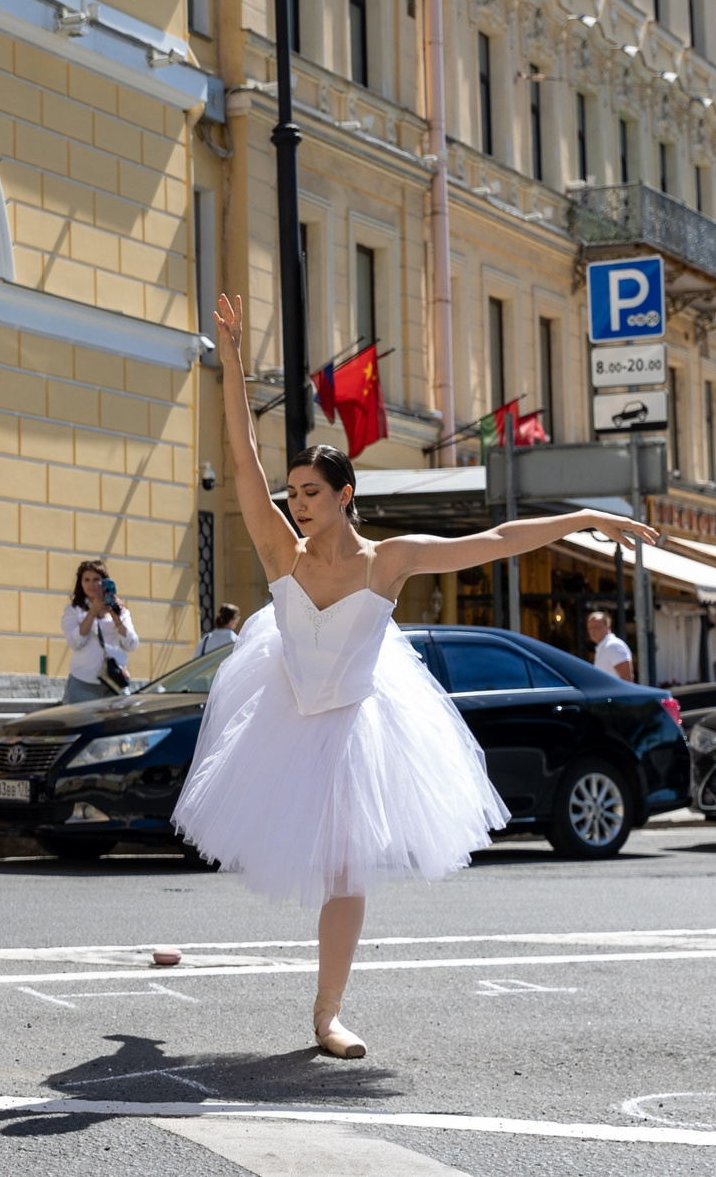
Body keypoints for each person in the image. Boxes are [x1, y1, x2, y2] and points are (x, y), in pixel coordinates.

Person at [177, 293, 658, 1059]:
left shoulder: (389, 560)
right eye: (293, 492)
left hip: (357, 723)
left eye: (311, 493)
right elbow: (240, 454)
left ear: (345, 496)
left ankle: (327, 1014)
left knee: (344, 870)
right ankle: (324, 1011)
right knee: (318, 864)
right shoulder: (279, 553)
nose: (297, 504)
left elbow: (496, 538)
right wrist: (232, 357)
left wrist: (582, 521)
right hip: (286, 715)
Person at [62, 561, 139, 703]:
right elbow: (75, 642)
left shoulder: (120, 611)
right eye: (86, 580)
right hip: (83, 682)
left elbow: (132, 645)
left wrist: (116, 617)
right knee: (82, 724)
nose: (91, 584)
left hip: (114, 682)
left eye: (96, 579)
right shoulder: (73, 610)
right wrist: (92, 612)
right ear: (80, 583)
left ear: (105, 582)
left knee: (116, 724)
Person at [589, 610, 636, 682]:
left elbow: (627, 680)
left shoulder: (614, 646)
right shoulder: (603, 647)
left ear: (608, 627)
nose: (593, 631)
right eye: (590, 628)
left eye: (597, 627)